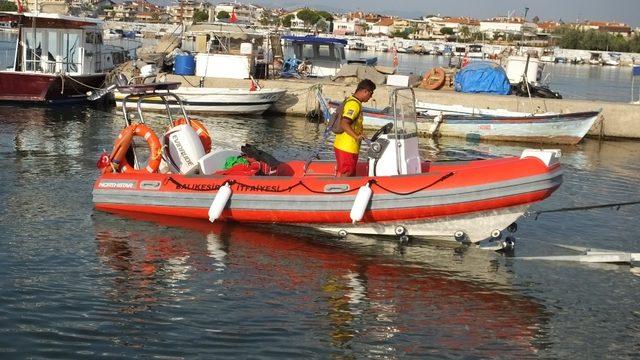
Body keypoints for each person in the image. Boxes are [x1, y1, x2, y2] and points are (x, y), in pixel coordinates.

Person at [333, 79, 376, 177]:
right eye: (371, 93)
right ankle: (340, 191)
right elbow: (344, 123)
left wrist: (359, 134)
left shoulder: (352, 101)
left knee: (350, 173)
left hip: (346, 146)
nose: (371, 97)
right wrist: (356, 136)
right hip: (347, 147)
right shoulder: (354, 104)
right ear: (365, 91)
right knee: (346, 173)